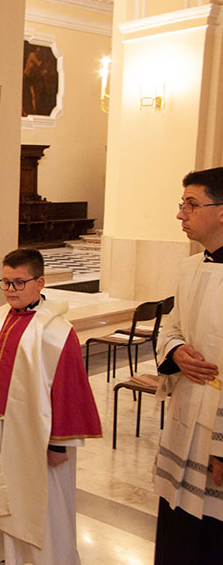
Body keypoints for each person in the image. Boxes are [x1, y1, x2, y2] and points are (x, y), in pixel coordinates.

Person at [0, 249, 101, 565]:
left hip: (39, 435)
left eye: (19, 283)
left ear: (40, 283)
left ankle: (45, 559)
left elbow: (69, 391)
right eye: (6, 282)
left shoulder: (55, 330)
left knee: (41, 501)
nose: (10, 290)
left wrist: (60, 445)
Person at [153, 166, 223, 564]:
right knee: (178, 528)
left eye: (191, 205)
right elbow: (170, 328)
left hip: (217, 428)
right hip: (185, 422)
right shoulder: (190, 267)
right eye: (183, 204)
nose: (181, 214)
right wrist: (177, 350)